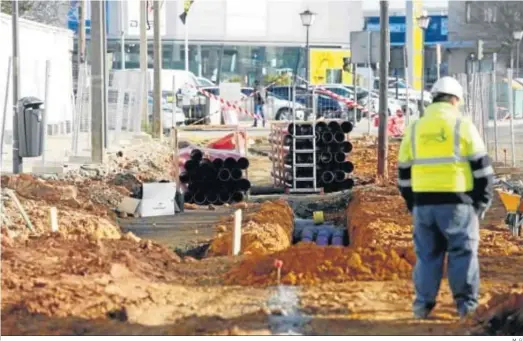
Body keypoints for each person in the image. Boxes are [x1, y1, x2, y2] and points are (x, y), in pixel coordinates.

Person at [397, 76, 494, 319]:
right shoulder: (463, 125)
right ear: (455, 99)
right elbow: (482, 168)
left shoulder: (415, 127)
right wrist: (482, 201)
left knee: (428, 255)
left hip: (424, 205)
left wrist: (413, 202)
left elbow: (403, 173)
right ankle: (466, 308)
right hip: (457, 203)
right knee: (462, 253)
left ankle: (422, 306)